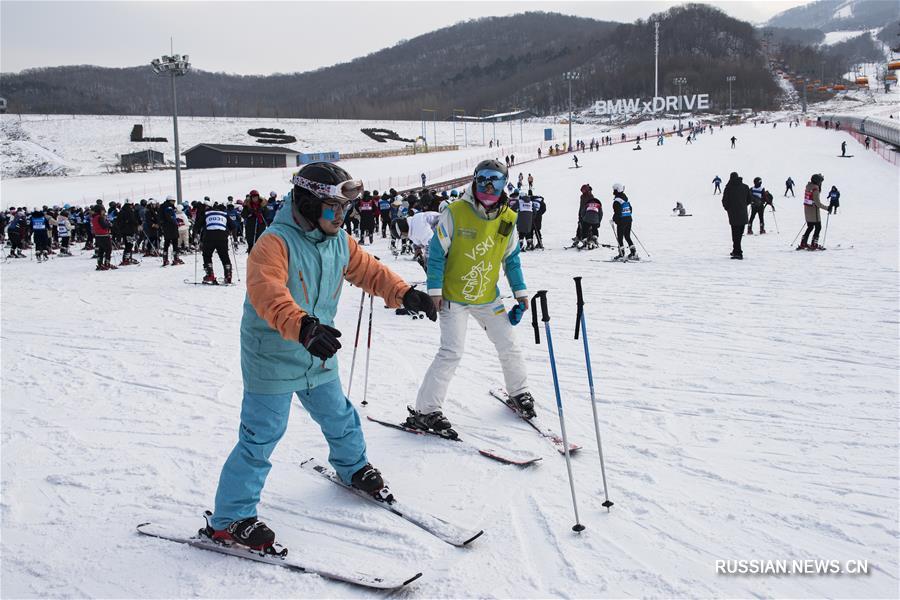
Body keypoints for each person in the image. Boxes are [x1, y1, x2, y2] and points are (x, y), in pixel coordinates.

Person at [206, 162, 436, 550]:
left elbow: (370, 271)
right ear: (308, 203)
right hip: (275, 354)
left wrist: (404, 292)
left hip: (317, 348)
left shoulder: (338, 241)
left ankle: (352, 468)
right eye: (334, 208)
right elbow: (268, 293)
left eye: (345, 209)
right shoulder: (273, 243)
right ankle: (231, 518)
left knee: (339, 415)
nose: (341, 216)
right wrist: (303, 327)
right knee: (260, 437)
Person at [410, 159, 534, 437]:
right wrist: (434, 292)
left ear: (504, 184)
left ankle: (519, 392)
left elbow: (511, 259)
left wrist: (520, 293)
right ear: (475, 181)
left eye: (495, 180)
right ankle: (426, 410)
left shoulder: (508, 219)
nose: (488, 186)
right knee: (451, 352)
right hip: (454, 296)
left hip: (488, 296)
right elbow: (437, 253)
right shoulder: (455, 212)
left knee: (509, 345)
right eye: (483, 180)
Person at [201, 201, 234, 284]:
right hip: (222, 237)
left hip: (209, 237)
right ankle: (228, 276)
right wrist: (228, 231)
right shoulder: (224, 214)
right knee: (224, 256)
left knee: (207, 255)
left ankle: (210, 275)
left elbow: (197, 225)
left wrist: (197, 234)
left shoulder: (207, 213)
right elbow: (233, 226)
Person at [722, 172, 750, 260]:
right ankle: (736, 250)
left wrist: (728, 209)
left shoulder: (729, 188)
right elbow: (749, 199)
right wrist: (743, 206)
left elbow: (724, 201)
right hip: (743, 214)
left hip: (733, 215)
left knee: (735, 234)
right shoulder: (745, 187)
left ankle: (738, 253)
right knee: (739, 234)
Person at [799, 174, 828, 250]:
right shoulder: (815, 189)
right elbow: (818, 203)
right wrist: (827, 208)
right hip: (814, 212)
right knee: (818, 227)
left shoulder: (809, 187)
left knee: (810, 227)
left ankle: (803, 242)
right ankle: (814, 243)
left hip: (807, 210)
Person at [611, 183, 637, 260]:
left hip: (622, 221)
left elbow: (617, 213)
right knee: (627, 236)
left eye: (614, 189)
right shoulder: (626, 199)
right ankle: (633, 252)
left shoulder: (617, 201)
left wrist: (614, 220)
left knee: (620, 238)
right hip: (629, 219)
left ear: (616, 190)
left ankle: (621, 254)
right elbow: (630, 210)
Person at [159, 196, 184, 266]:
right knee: (175, 243)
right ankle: (175, 258)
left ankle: (165, 259)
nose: (174, 202)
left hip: (166, 227)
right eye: (173, 201)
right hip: (171, 227)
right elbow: (170, 217)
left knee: (166, 243)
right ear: (169, 201)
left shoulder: (163, 206)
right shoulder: (168, 207)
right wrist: (176, 222)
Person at [576, 184, 602, 249]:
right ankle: (579, 237)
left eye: (583, 191)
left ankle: (588, 238)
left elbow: (590, 207)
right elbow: (581, 206)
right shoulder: (582, 196)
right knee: (580, 224)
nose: (582, 192)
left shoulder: (590, 196)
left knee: (587, 226)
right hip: (583, 212)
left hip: (587, 213)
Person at [116, 199, 141, 265]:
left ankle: (127, 258)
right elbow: (133, 220)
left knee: (128, 245)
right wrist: (137, 223)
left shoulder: (121, 211)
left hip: (124, 231)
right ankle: (126, 259)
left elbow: (118, 222)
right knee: (129, 245)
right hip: (129, 230)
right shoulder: (129, 211)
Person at [92, 204, 116, 270]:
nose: (104, 212)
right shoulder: (100, 217)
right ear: (99, 211)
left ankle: (100, 263)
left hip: (98, 236)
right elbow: (104, 225)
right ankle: (107, 263)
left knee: (101, 250)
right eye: (103, 211)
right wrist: (109, 224)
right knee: (108, 250)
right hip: (104, 235)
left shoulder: (94, 218)